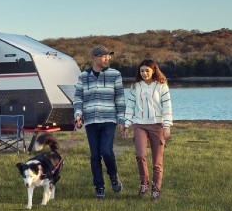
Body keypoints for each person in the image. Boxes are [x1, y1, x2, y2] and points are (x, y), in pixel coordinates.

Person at [73, 45, 126, 199]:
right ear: (94, 58)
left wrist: (121, 119)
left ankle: (113, 176)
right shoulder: (84, 76)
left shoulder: (115, 74)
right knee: (95, 155)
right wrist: (78, 114)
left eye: (108, 56)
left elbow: (120, 99)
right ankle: (99, 187)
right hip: (91, 121)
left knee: (106, 151)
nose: (107, 58)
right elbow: (78, 98)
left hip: (109, 119)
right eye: (103, 56)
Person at [124, 59, 173, 201]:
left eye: (147, 71)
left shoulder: (161, 86)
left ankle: (156, 189)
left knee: (157, 162)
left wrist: (167, 126)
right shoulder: (135, 87)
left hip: (157, 125)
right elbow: (130, 106)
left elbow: (167, 107)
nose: (144, 73)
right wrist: (127, 124)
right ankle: (144, 183)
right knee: (140, 155)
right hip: (139, 125)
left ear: (153, 71)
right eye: (142, 71)